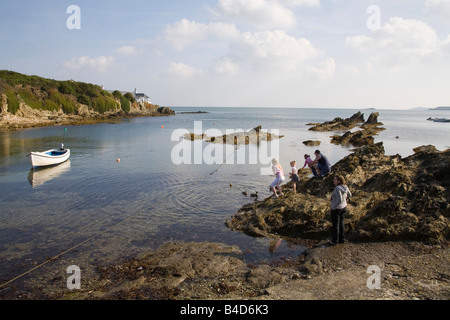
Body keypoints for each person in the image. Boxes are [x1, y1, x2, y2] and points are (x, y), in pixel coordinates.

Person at [329, 174, 352, 245]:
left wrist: (333, 207)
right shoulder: (345, 187)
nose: (333, 180)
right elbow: (350, 195)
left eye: (335, 179)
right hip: (344, 207)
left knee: (335, 225)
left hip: (337, 209)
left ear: (339, 181)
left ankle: (334, 241)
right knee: (341, 224)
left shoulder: (338, 188)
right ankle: (342, 239)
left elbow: (339, 199)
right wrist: (346, 199)